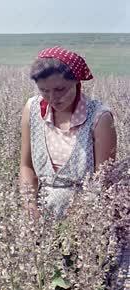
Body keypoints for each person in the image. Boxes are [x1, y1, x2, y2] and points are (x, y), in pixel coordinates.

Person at [20, 46, 116, 218]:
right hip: (39, 216)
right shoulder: (32, 109)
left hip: (85, 219)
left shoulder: (99, 118)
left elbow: (103, 181)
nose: (52, 98)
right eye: (44, 90)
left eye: (60, 89)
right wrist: (29, 206)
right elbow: (26, 166)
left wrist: (74, 223)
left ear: (76, 82)